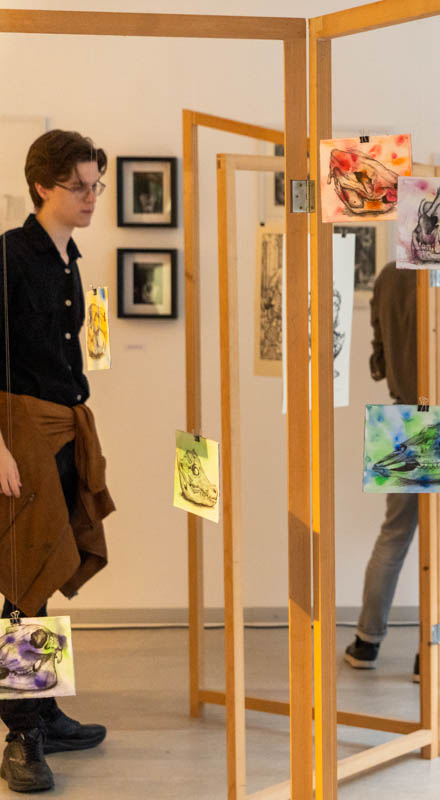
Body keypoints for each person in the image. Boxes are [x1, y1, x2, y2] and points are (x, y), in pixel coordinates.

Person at [0, 130, 114, 793]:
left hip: (64, 435)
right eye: (79, 186)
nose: (91, 197)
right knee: (23, 580)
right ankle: (20, 738)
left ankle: (43, 709)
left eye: (96, 184)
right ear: (43, 186)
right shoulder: (9, 257)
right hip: (21, 439)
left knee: (44, 575)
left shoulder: (68, 259)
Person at [343, 264, 440, 680]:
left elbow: (379, 351)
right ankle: (435, 651)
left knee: (393, 535)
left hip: (403, 415)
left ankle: (365, 643)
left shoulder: (387, 277)